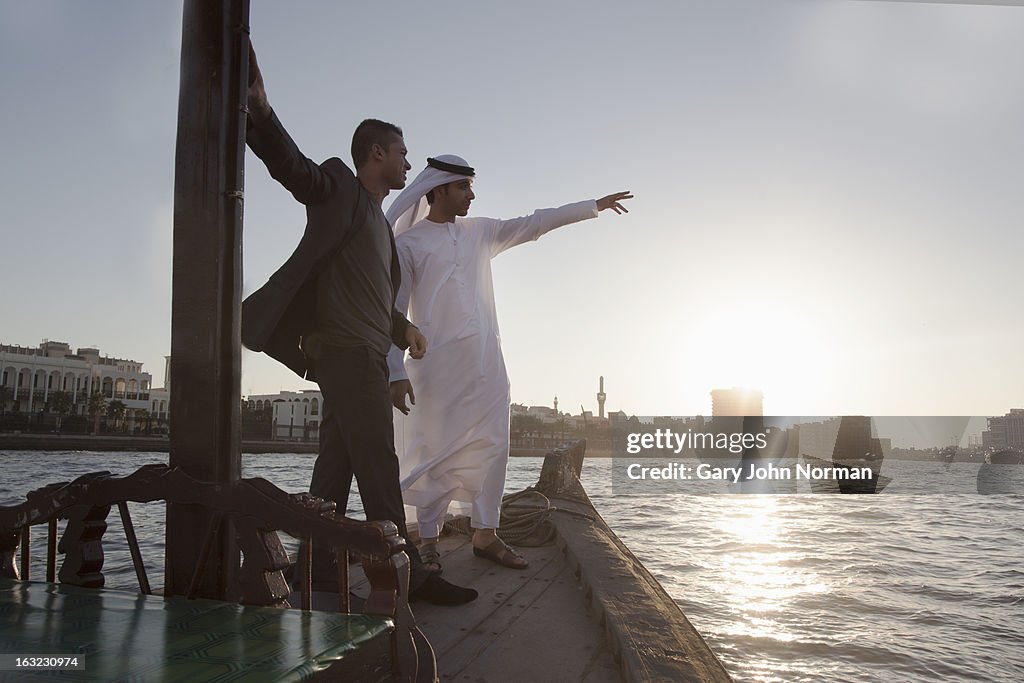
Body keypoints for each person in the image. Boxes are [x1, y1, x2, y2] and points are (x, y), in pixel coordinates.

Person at [241, 47, 476, 605]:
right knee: (378, 463)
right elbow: (294, 170)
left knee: (333, 472)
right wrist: (262, 113)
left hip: (366, 352)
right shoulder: (342, 190)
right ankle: (408, 574)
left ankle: (315, 574)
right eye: (401, 153)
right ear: (376, 153)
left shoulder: (377, 227)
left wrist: (404, 330)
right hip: (346, 354)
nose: (406, 161)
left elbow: (374, 298)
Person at [386, 155, 631, 570]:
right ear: (439, 189)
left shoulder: (480, 232)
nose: (472, 195)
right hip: (435, 367)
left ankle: (486, 533)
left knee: (494, 444)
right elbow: (393, 312)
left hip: (486, 364)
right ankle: (427, 540)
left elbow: (535, 223)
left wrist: (592, 206)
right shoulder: (408, 244)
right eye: (464, 187)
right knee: (434, 453)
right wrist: (394, 371)